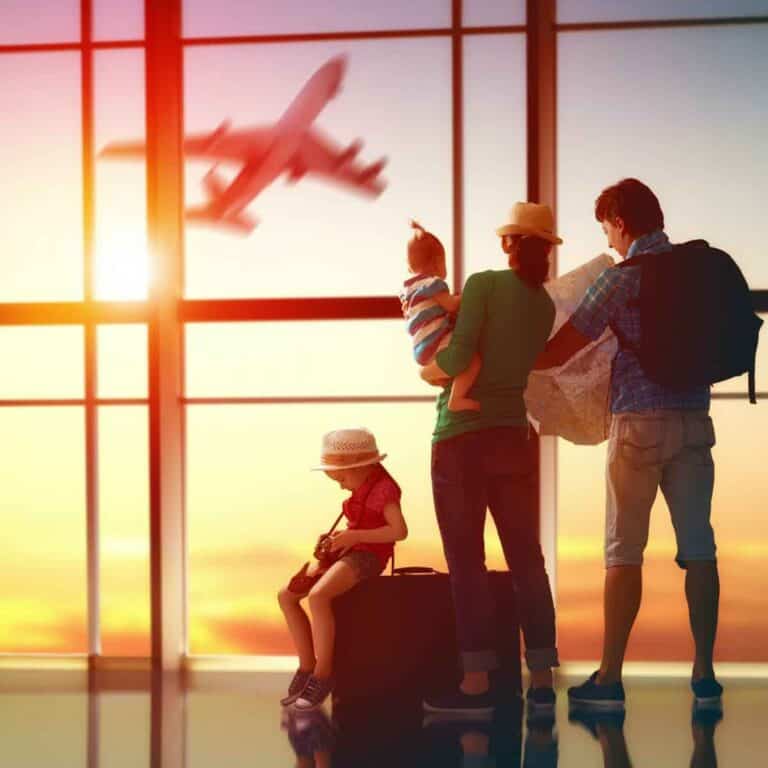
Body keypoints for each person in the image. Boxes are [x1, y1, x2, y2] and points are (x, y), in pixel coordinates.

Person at [534, 178, 722, 711]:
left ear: (620, 222)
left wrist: (511, 361)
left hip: (636, 424)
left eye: (607, 230)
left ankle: (611, 677)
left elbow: (562, 347)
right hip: (692, 422)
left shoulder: (620, 279)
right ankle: (704, 674)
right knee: (699, 549)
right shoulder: (696, 272)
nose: (609, 242)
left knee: (623, 553)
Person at [420, 202, 561, 717]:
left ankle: (476, 683)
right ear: (545, 249)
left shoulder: (482, 284)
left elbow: (455, 361)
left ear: (509, 244)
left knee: (467, 564)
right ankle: (542, 678)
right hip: (512, 438)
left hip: (460, 438)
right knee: (527, 560)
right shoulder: (543, 306)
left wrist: (427, 370)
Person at [277, 427, 407, 711]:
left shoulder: (384, 490)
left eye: (342, 477)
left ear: (364, 466)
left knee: (318, 597)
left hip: (368, 557)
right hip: (349, 551)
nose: (341, 485)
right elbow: (354, 527)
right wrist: (334, 540)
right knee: (286, 595)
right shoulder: (360, 489)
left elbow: (398, 531)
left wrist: (354, 537)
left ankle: (323, 675)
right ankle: (306, 666)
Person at [401, 220, 482, 412]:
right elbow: (452, 305)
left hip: (421, 351)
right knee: (474, 360)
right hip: (438, 345)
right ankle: (457, 399)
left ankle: (428, 374)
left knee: (450, 372)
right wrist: (469, 295)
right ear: (438, 262)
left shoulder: (409, 291)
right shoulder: (432, 284)